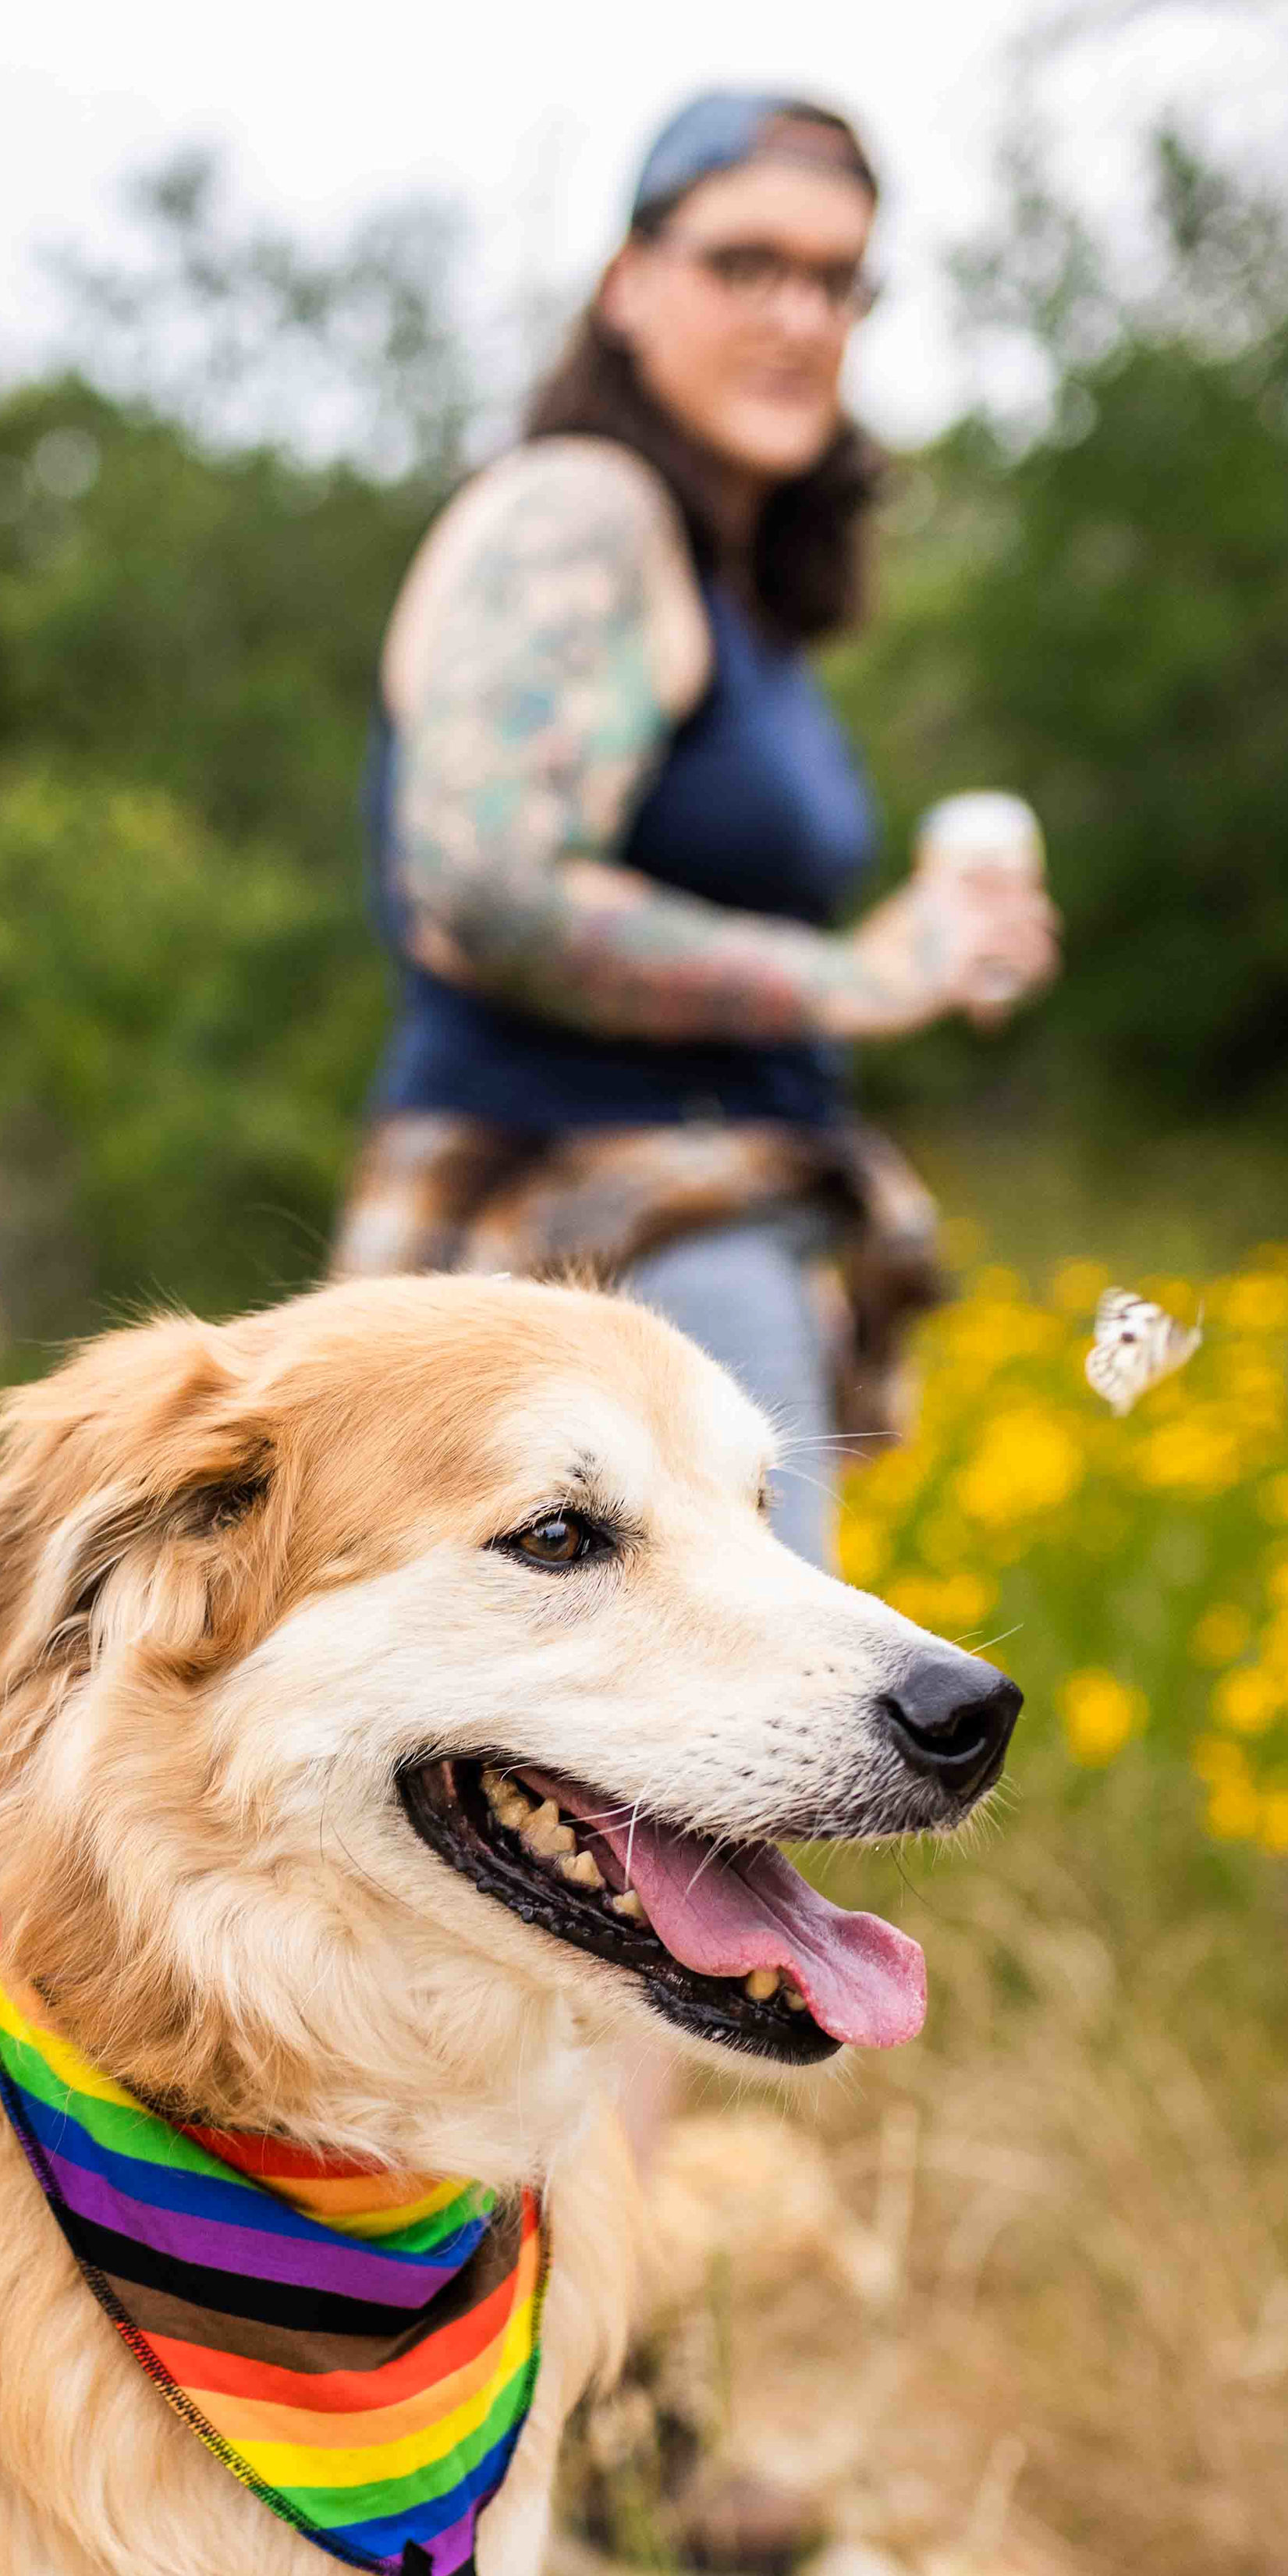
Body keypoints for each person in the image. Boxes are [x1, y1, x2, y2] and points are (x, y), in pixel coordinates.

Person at [335, 84, 1058, 1566]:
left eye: (839, 277)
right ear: (628, 283)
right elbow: (478, 881)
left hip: (699, 1246)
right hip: (592, 1256)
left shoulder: (738, 595)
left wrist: (935, 944)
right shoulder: (580, 511)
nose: (801, 316)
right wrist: (861, 976)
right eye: (746, 264)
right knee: (743, 1765)